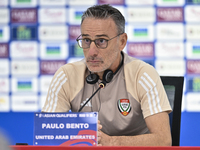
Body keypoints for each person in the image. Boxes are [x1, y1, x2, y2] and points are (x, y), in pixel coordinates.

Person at [42, 4, 172, 146]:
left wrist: (111, 142)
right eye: (86, 40)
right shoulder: (66, 76)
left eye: (101, 41)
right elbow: (48, 136)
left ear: (121, 41)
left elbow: (163, 140)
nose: (92, 52)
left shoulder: (142, 74)